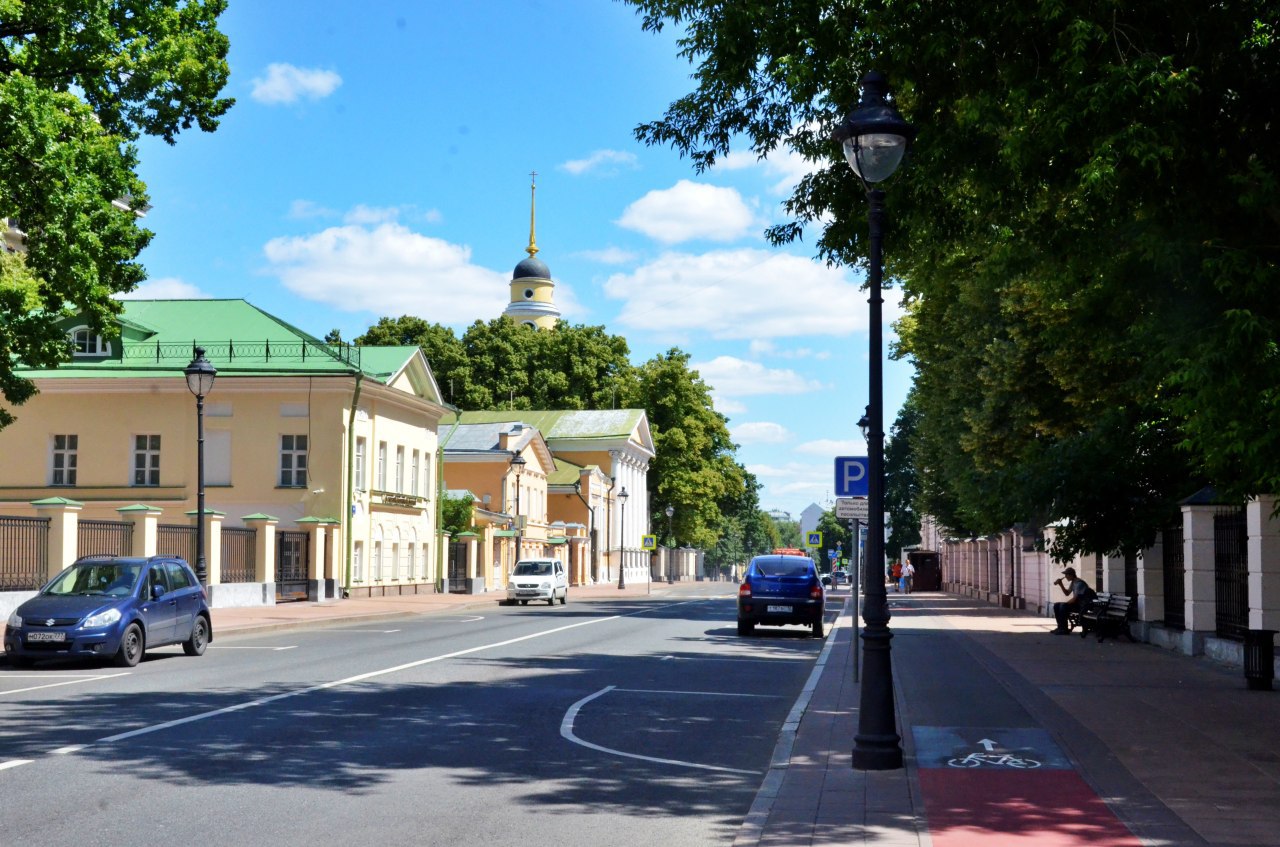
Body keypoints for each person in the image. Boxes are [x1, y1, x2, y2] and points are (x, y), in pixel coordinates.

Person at [1051, 567, 1094, 633]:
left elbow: (1075, 599)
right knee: (1056, 605)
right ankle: (1060, 627)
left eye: (1066, 575)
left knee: (1062, 606)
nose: (1065, 577)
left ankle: (1063, 629)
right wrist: (1061, 584)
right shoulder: (1073, 582)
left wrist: (1064, 604)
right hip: (1078, 604)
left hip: (1082, 606)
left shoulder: (1079, 584)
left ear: (1071, 575)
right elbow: (1067, 593)